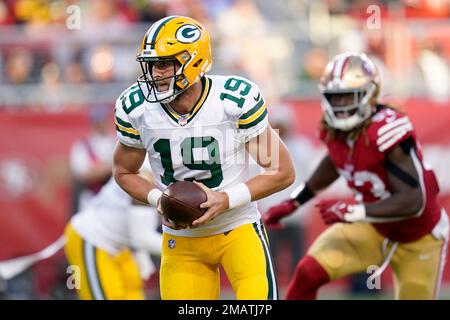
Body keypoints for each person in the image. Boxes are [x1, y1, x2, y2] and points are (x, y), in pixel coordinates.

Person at [112, 15, 295, 300]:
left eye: (163, 63)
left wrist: (226, 200)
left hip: (237, 229)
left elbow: (282, 171)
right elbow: (124, 172)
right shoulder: (136, 109)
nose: (155, 74)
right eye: (150, 65)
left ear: (193, 61)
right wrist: (158, 199)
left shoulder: (233, 100)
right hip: (181, 242)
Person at [263, 52, 449, 300]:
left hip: (419, 235)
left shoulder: (386, 130)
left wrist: (354, 211)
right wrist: (293, 201)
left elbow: (415, 201)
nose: (341, 105)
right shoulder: (335, 130)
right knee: (308, 272)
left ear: (369, 94)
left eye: (348, 96)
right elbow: (333, 162)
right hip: (373, 226)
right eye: (335, 97)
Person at [64, 168, 162, 300]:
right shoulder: (144, 175)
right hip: (95, 238)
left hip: (122, 246)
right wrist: (184, 248)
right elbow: (141, 237)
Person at [69, 104, 116, 213]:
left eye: (103, 120)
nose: (101, 124)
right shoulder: (82, 146)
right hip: (90, 199)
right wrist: (108, 168)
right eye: (98, 121)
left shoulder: (115, 141)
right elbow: (83, 175)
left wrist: (101, 169)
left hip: (113, 200)